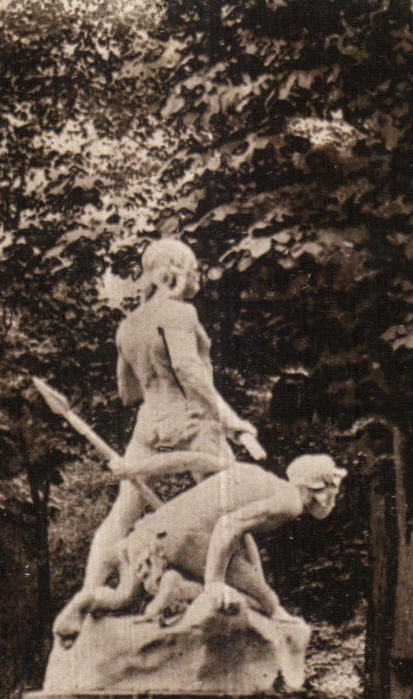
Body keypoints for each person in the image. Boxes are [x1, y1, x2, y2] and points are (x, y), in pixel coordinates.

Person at [56, 238, 263, 639]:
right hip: (193, 421)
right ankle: (264, 605)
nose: (197, 275)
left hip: (150, 422)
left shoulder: (128, 325)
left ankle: (87, 597)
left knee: (121, 515)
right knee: (235, 505)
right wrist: (232, 419)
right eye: (192, 267)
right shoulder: (180, 313)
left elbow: (127, 394)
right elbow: (188, 369)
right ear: (172, 271)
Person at [69, 453, 345, 626]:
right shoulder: (290, 502)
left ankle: (82, 603)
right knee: (264, 604)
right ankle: (179, 588)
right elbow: (229, 526)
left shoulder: (252, 474)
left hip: (153, 530)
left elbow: (192, 460)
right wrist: (215, 582)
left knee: (122, 596)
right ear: (319, 489)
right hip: (189, 538)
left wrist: (136, 469)